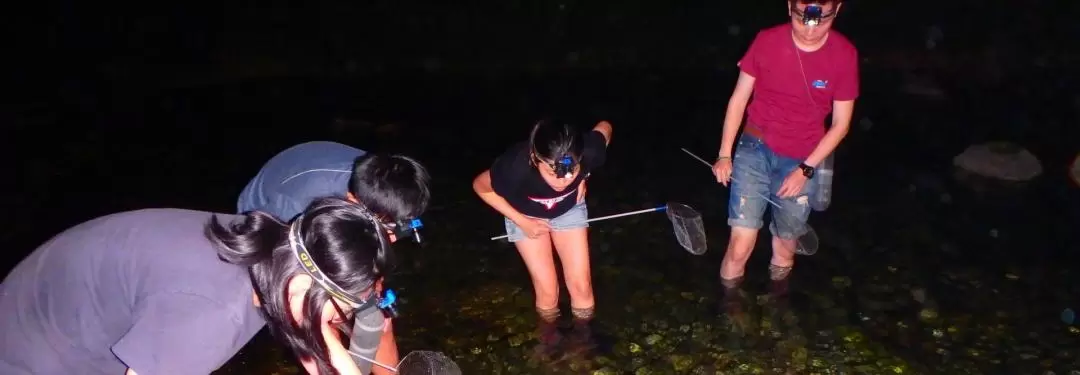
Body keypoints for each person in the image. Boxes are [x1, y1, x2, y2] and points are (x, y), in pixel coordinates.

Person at [0, 197, 394, 375]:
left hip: (53, 304)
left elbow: (315, 335)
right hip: (35, 351)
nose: (342, 319)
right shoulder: (212, 311)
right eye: (343, 305)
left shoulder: (272, 246)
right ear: (309, 282)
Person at [711, 0, 858, 312]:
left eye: (821, 20)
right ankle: (727, 311)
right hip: (755, 147)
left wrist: (805, 169)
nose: (809, 29)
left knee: (785, 245)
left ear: (837, 9)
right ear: (790, 6)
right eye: (801, 17)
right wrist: (724, 154)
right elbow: (738, 100)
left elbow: (841, 124)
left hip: (803, 157)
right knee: (740, 244)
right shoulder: (767, 40)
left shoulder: (844, 54)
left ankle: (777, 305)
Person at [237, 140, 431, 374]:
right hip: (264, 215)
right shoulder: (296, 207)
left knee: (378, 318)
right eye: (386, 230)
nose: (393, 239)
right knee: (324, 314)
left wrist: (373, 289)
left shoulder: (388, 182)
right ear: (352, 201)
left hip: (337, 207)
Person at [472, 119, 613, 359]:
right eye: (553, 173)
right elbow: (481, 186)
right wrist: (522, 221)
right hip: (524, 216)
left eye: (573, 171)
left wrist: (585, 176)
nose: (564, 181)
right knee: (548, 291)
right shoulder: (514, 166)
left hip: (569, 211)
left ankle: (584, 341)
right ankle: (550, 343)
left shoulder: (589, 151)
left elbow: (606, 127)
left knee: (581, 285)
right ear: (535, 159)